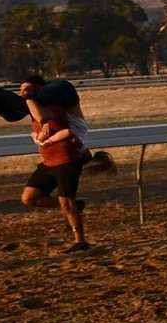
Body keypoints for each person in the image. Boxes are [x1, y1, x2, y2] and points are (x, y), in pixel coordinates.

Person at [18, 76, 110, 251]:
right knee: (28, 198)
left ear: (40, 89)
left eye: (28, 89)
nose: (23, 93)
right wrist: (38, 139)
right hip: (49, 161)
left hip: (67, 161)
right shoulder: (35, 106)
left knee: (66, 202)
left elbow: (61, 129)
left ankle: (80, 241)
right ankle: (78, 206)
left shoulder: (53, 106)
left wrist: (46, 141)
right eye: (21, 90)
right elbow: (35, 131)